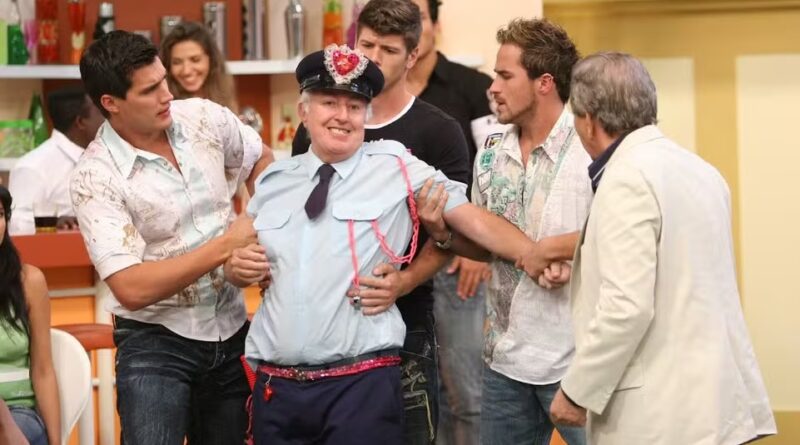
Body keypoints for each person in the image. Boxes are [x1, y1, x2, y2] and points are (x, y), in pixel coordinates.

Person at [226, 44, 554, 445]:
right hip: (277, 391)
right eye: (329, 103)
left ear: (366, 115)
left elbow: (470, 217)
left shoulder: (395, 165)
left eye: (354, 106)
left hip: (360, 386)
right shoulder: (274, 182)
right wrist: (234, 268)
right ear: (304, 111)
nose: (342, 116)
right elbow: (236, 256)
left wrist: (532, 254)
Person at [549, 51, 776, 445]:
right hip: (715, 403)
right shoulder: (702, 171)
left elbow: (626, 307)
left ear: (588, 120)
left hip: (660, 414)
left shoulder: (625, 179)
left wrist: (576, 391)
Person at [71, 30, 272, 444]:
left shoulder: (203, 116)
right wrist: (227, 245)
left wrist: (264, 230)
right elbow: (130, 287)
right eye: (149, 90)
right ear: (111, 103)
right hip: (154, 343)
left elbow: (260, 159)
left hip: (233, 327)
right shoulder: (94, 175)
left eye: (163, 80)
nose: (167, 95)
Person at [292, 1, 472, 442]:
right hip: (321, 324)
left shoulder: (439, 131)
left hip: (405, 322)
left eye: (388, 50)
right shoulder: (318, 126)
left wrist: (405, 282)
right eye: (366, 45)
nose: (373, 58)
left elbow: (453, 234)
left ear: (413, 56)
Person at [417, 18, 592, 445]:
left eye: (505, 76)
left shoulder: (590, 146)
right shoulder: (491, 151)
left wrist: (568, 256)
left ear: (544, 83)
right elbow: (485, 248)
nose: (492, 87)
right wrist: (442, 233)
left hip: (580, 362)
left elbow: (620, 236)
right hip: (505, 363)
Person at [406, 1, 494, 442]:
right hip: (401, 265)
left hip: (459, 261)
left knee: (467, 394)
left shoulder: (473, 87)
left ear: (436, 25)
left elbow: (497, 170)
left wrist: (482, 249)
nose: (410, 28)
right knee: (421, 393)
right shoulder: (377, 93)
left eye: (419, 17)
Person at [0, 185, 61, 445]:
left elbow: (43, 370)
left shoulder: (29, 281)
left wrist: (56, 442)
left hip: (19, 413)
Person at [8, 87, 104, 235]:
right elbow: (16, 223)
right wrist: (54, 223)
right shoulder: (32, 166)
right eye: (102, 113)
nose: (109, 119)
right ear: (80, 122)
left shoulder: (106, 158)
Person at [160, 21, 238, 112]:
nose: (186, 71)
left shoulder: (225, 99)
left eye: (195, 60)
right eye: (177, 62)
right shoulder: (164, 109)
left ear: (211, 59)